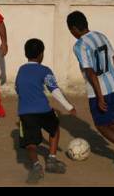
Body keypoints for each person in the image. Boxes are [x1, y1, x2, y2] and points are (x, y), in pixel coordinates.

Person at [66, 11, 114, 170]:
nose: (71, 33)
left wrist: (99, 95)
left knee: (101, 125)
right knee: (113, 121)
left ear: (74, 29)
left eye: (70, 30)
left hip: (98, 91)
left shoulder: (80, 45)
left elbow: (90, 71)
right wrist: (109, 77)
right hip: (113, 86)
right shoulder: (100, 36)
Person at [15, 38, 76, 184]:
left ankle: (36, 166)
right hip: (44, 109)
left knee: (30, 143)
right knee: (54, 128)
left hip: (25, 112)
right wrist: (68, 107)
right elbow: (54, 90)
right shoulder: (45, 70)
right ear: (41, 54)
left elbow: (17, 88)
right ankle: (52, 160)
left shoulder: (21, 69)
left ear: (25, 54)